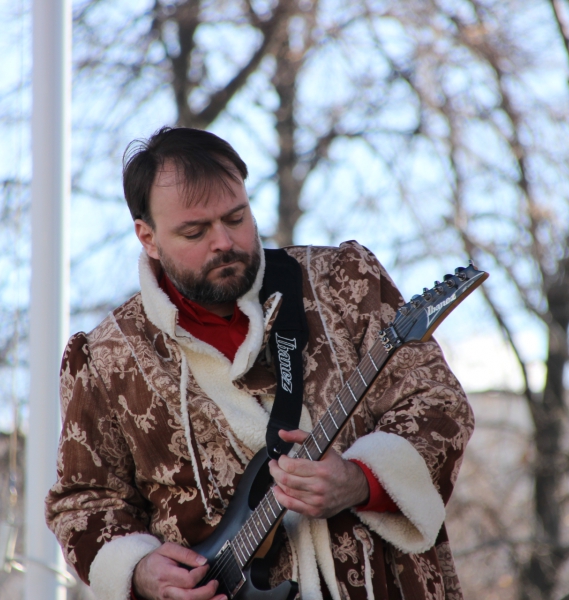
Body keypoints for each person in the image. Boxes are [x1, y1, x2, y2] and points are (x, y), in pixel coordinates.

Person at [45, 127, 474, 600]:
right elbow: (83, 502)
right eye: (195, 231)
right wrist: (141, 569)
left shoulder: (342, 282)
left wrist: (360, 481)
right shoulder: (103, 358)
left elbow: (437, 400)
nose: (224, 241)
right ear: (147, 237)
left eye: (236, 217)